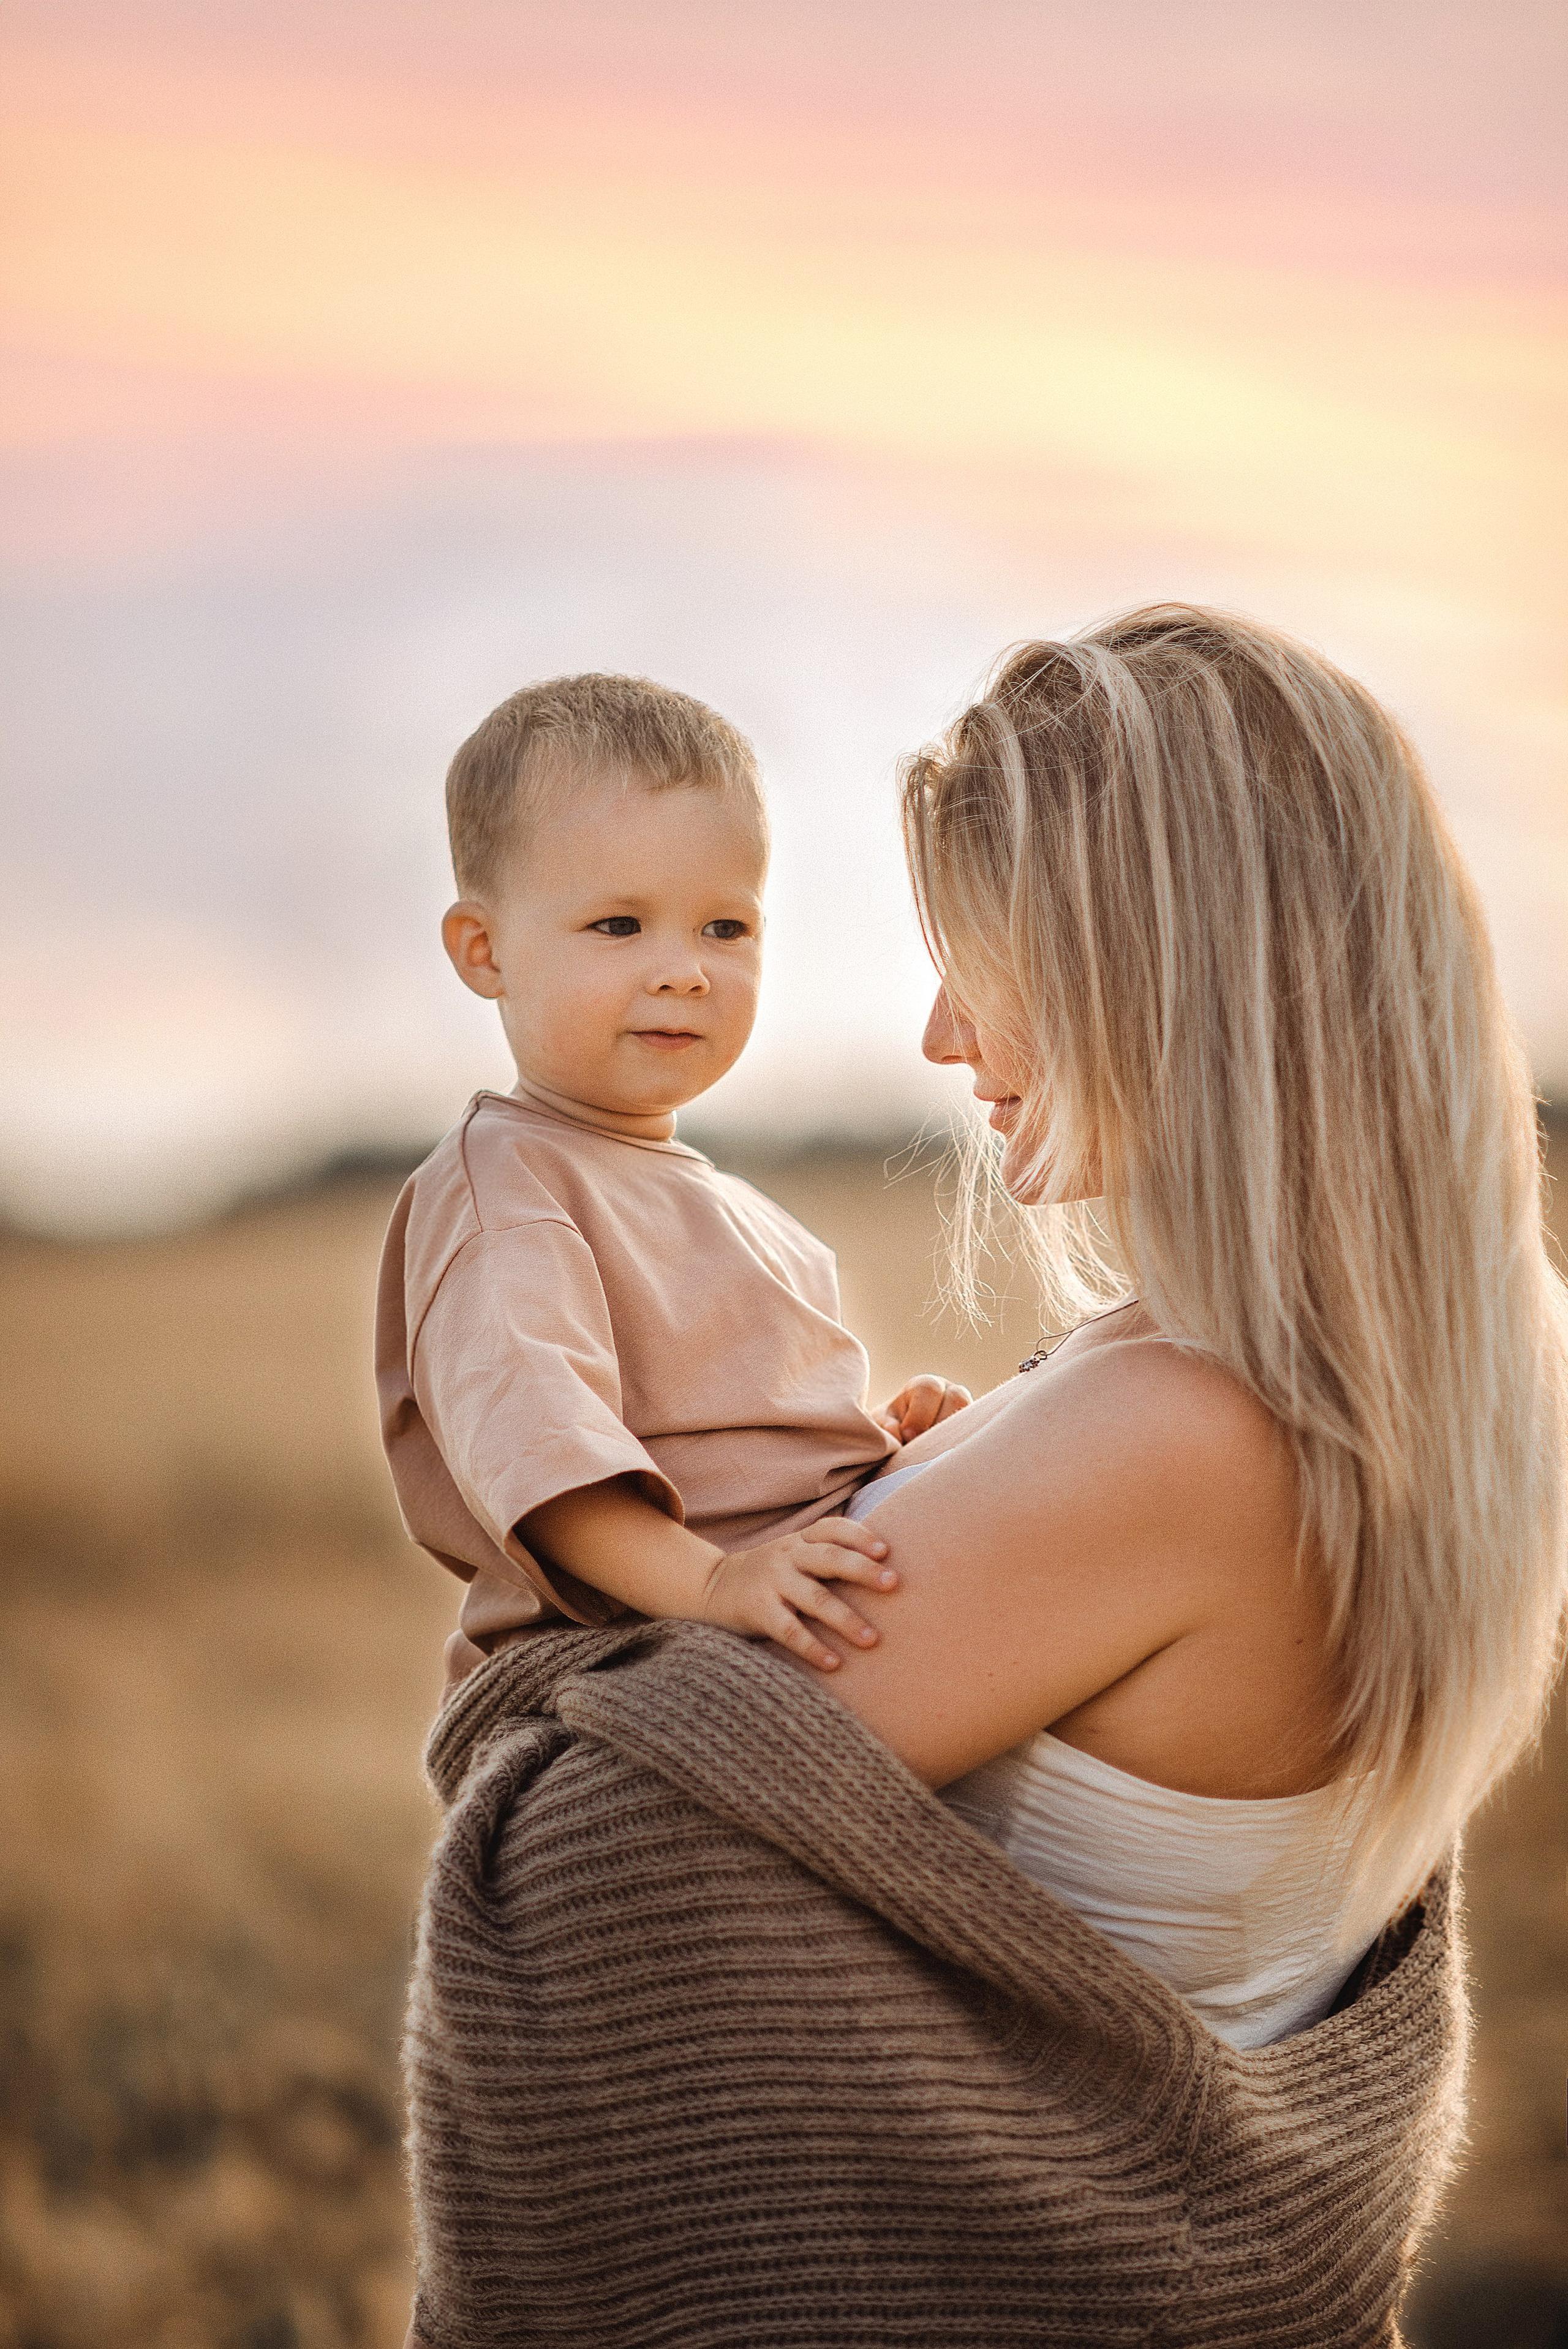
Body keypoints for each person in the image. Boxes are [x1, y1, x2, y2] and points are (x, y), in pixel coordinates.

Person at [400, 608, 1566, 2349]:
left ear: (1163, 965)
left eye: (987, 953)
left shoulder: (1193, 1428)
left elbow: (586, 1867)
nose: (946, 1033)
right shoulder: (1410, 1383)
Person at [375, 671, 969, 1693]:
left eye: (724, 929)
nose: (685, 971)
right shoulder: (509, 1195)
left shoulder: (732, 1207)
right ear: (486, 952)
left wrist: (876, 1437)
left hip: (765, 1601)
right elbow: (552, 1471)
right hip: (640, 1652)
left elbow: (732, 1453)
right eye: (619, 926)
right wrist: (717, 1582)